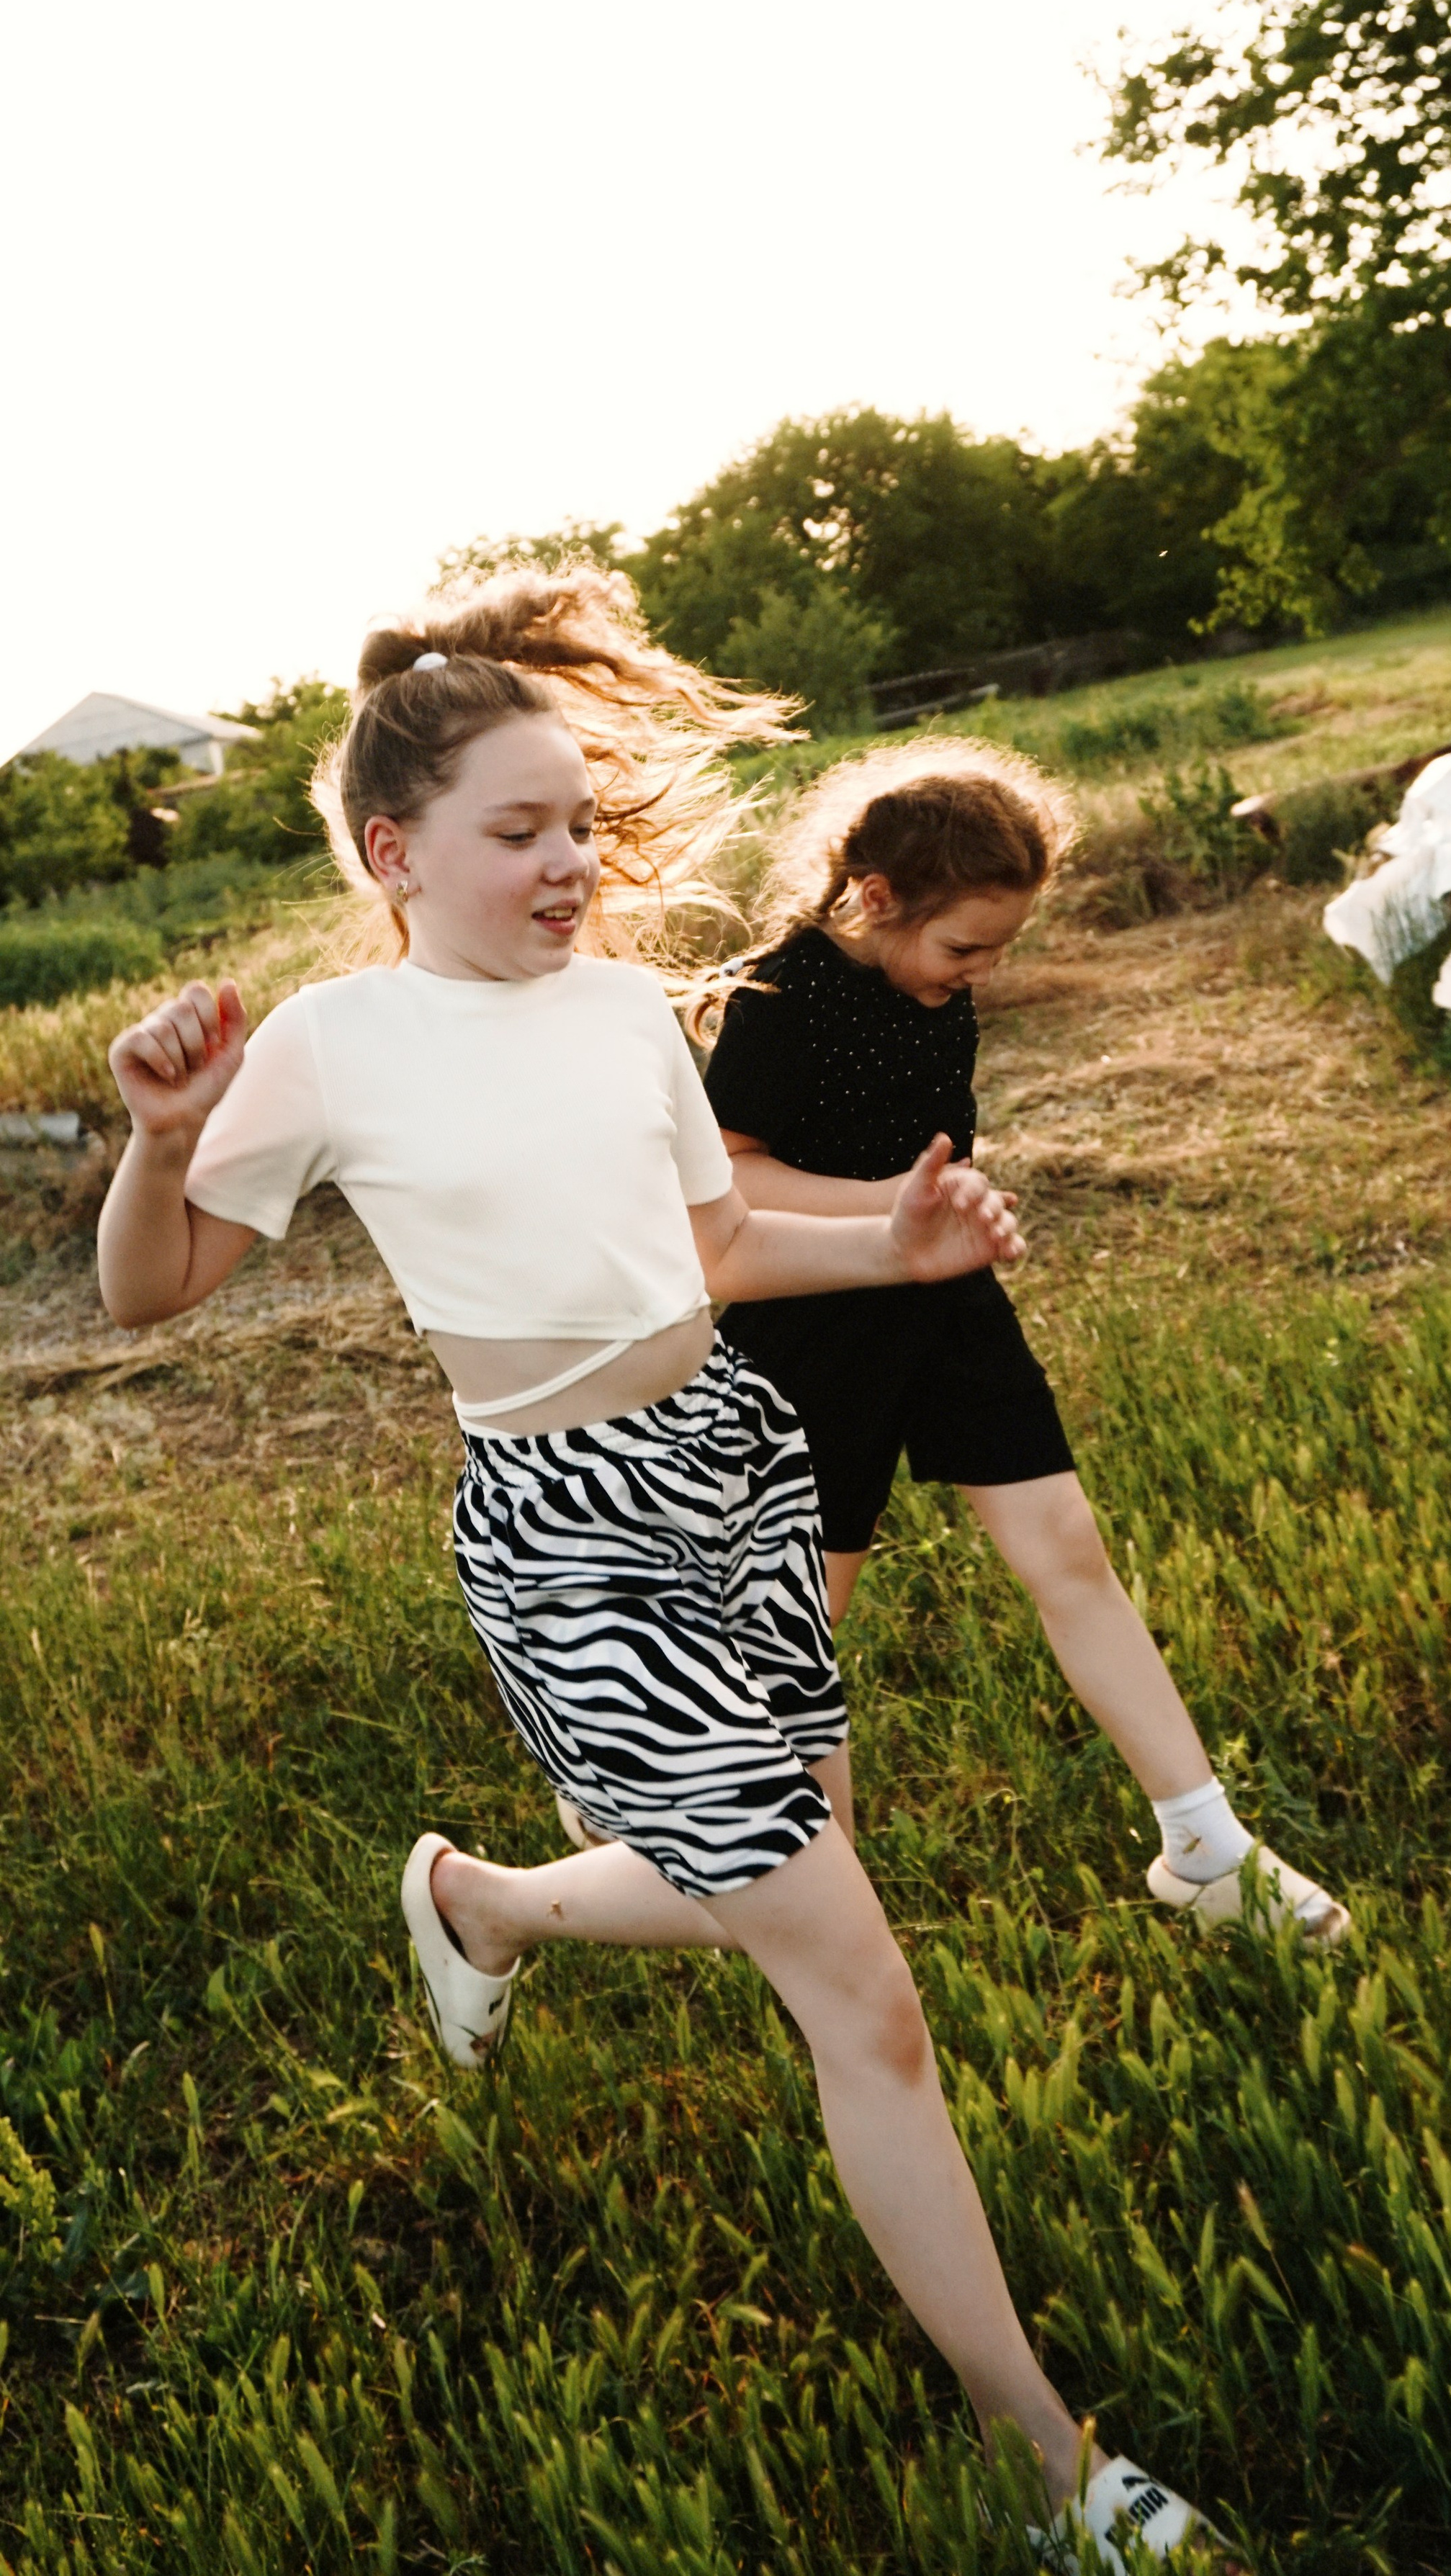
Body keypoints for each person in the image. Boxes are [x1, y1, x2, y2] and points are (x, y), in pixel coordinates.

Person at [95, 574, 1223, 2571]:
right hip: (571, 1535)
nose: (568, 865)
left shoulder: (630, 1007)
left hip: (733, 1469)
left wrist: (898, 1245)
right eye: (518, 833)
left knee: (784, 1907)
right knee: (861, 1989)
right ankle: (1047, 2467)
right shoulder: (338, 1050)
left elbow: (707, 1256)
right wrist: (160, 1143)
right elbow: (150, 1297)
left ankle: (487, 1903)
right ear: (396, 853)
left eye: (579, 827)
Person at [698, 740, 1348, 1945]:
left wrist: (937, 1218)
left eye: (1001, 948)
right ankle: (734, 1857)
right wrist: (903, 1206)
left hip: (948, 1313)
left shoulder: (946, 993)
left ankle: (1205, 1844)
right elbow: (733, 1181)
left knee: (1068, 1548)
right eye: (965, 947)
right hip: (811, 1333)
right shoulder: (775, 1000)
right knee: (799, 1625)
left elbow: (935, 1161)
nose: (983, 971)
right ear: (875, 897)